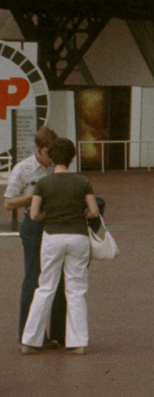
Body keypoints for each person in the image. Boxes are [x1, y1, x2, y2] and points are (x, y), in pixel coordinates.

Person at [21, 138, 99, 354]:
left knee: (45, 287)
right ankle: (78, 342)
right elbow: (93, 212)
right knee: (75, 290)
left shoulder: (43, 183)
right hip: (78, 237)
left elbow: (35, 214)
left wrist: (50, 214)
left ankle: (30, 340)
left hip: (52, 237)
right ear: (72, 158)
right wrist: (79, 213)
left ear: (52, 158)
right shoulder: (82, 181)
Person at [5, 126, 62, 344]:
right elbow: (8, 202)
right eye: (48, 153)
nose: (52, 158)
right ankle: (29, 335)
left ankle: (57, 333)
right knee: (34, 278)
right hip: (33, 226)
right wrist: (34, 196)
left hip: (55, 222)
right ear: (37, 149)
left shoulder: (57, 166)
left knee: (57, 278)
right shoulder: (23, 169)